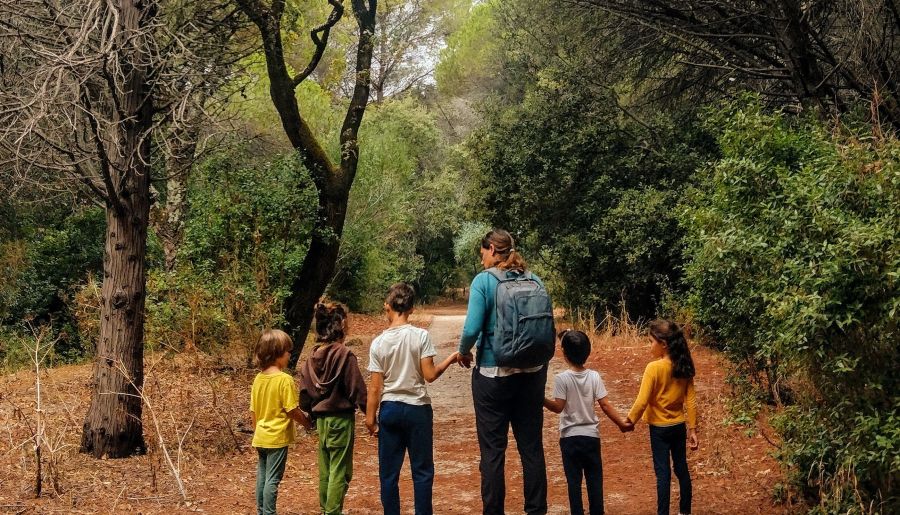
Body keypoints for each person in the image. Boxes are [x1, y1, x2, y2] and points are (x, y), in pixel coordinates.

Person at [457, 228, 550, 515]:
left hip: (493, 374)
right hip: (532, 372)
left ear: (492, 250)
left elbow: (472, 328)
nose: (482, 257)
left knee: (493, 451)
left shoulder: (484, 281)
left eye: (483, 252)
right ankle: (536, 510)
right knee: (531, 447)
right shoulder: (534, 279)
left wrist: (463, 351)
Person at [365, 282, 460, 515]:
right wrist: (452, 358)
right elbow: (429, 375)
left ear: (388, 307)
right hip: (418, 409)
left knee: (388, 474)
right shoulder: (421, 336)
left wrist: (370, 418)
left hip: (390, 410)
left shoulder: (378, 342)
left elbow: (375, 388)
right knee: (422, 472)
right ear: (411, 309)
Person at [543, 329, 633, 515]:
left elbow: (558, 407)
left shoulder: (562, 379)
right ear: (588, 352)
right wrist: (621, 423)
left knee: (574, 483)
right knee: (594, 481)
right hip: (591, 437)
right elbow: (606, 405)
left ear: (564, 354)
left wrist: (540, 399)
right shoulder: (594, 376)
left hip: (569, 438)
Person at [298, 303, 367, 515]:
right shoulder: (345, 355)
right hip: (341, 419)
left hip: (321, 421)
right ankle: (332, 511)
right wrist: (371, 415)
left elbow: (303, 394)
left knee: (326, 469)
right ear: (342, 325)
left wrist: (309, 414)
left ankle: (325, 508)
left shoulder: (311, 357)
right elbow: (357, 389)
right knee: (341, 471)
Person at [626, 319, 699, 515]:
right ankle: (685, 511)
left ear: (663, 344)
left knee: (663, 474)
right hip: (678, 426)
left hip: (659, 429)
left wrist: (629, 420)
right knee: (681, 469)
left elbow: (642, 400)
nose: (649, 346)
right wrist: (692, 429)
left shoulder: (653, 368)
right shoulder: (684, 364)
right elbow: (690, 400)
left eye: (651, 341)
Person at [250, 329, 312, 515]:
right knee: (273, 479)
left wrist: (256, 432)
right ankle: (269, 512)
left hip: (261, 436)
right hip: (276, 438)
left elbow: (253, 411)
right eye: (287, 353)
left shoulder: (258, 379)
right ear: (277, 354)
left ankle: (261, 511)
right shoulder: (284, 380)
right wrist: (307, 422)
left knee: (262, 475)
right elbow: (292, 410)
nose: (289, 356)